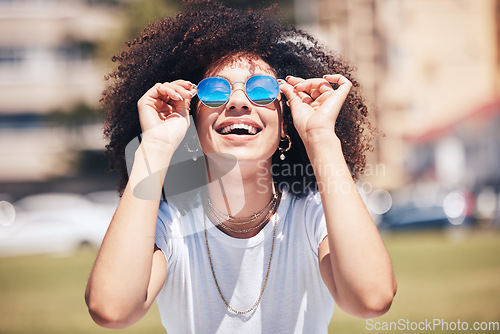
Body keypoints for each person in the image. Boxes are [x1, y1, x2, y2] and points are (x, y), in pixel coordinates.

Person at [85, 0, 397, 333]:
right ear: (192, 120)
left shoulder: (312, 216)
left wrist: (321, 139)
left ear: (285, 123)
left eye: (261, 90)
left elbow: (371, 299)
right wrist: (156, 147)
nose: (237, 101)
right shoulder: (171, 223)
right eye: (215, 91)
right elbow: (111, 310)